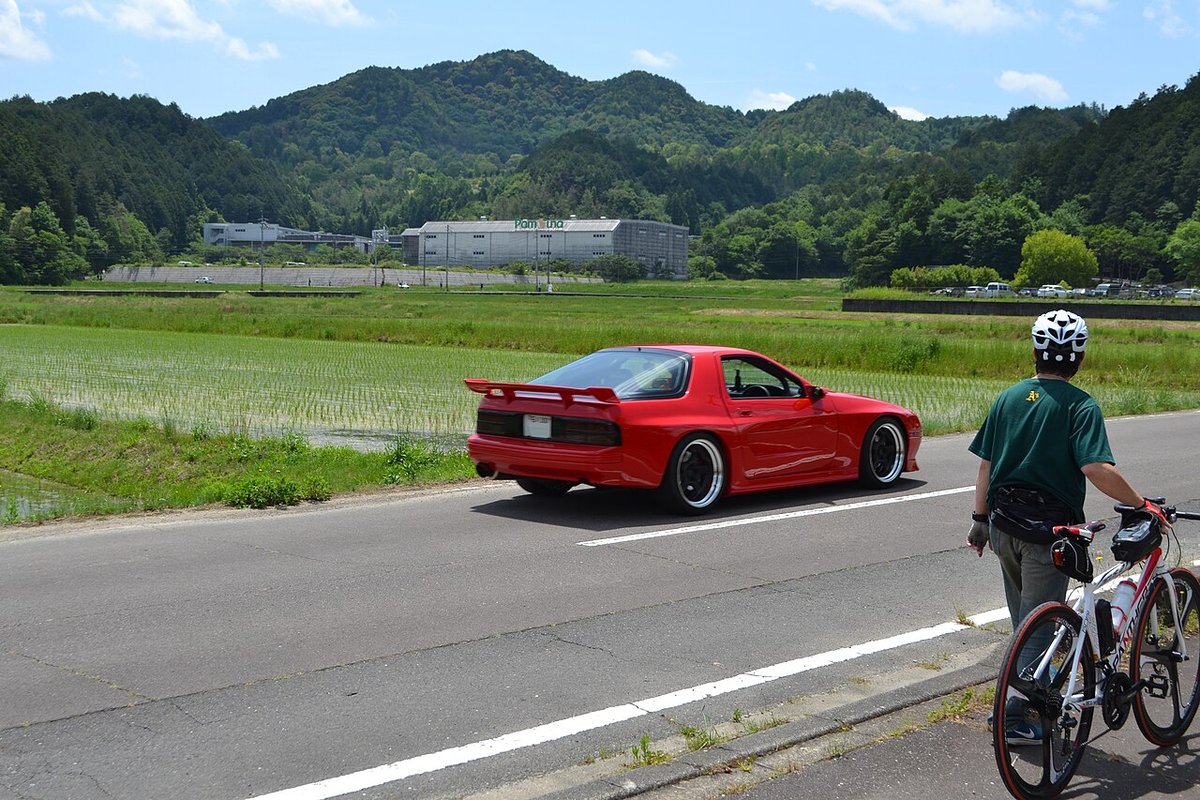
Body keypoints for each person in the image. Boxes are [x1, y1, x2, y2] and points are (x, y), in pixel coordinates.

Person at [966, 309, 1167, 742]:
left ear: (1036, 352)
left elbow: (986, 465)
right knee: (1038, 627)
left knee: (1025, 620)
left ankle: (1024, 697)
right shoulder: (1081, 405)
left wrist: (979, 521)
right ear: (1079, 356)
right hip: (1048, 534)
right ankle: (1015, 716)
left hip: (1002, 524)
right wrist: (1142, 503)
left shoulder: (1008, 398)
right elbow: (1096, 467)